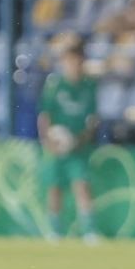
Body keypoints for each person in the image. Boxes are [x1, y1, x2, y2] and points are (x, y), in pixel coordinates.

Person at [38, 42, 100, 243]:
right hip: (55, 147)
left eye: (74, 59)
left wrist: (80, 140)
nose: (71, 64)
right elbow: (44, 116)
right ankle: (55, 231)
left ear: (81, 61)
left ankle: (89, 231)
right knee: (54, 187)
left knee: (81, 185)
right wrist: (47, 140)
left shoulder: (89, 86)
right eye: (67, 60)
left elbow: (92, 120)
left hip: (78, 147)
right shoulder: (55, 86)